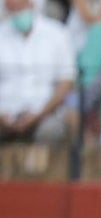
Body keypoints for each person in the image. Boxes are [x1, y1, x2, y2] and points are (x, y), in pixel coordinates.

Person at [0, 0, 76, 146]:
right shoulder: (2, 34)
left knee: (51, 132)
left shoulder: (57, 34)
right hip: (5, 114)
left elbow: (66, 82)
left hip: (45, 114)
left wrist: (40, 115)